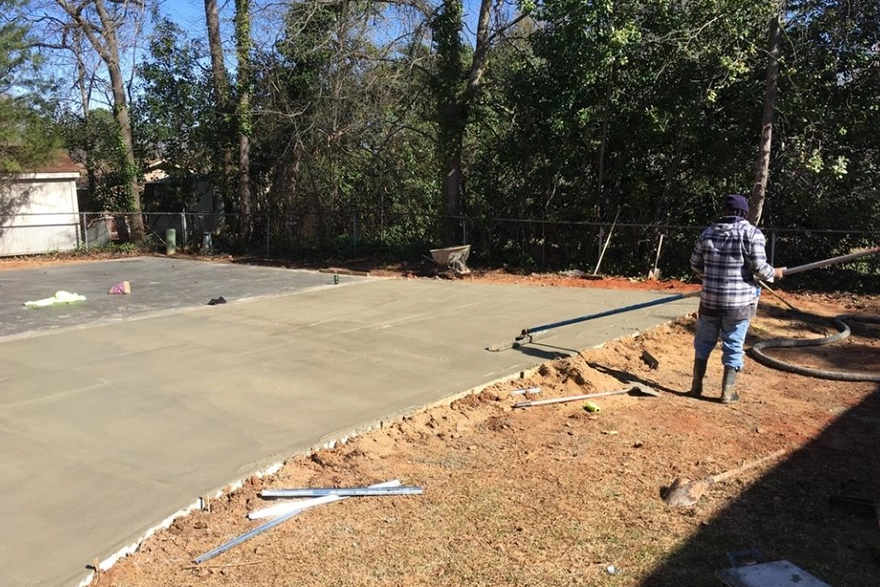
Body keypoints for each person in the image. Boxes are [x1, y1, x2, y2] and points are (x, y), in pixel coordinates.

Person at [688, 194, 785, 403]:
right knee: (733, 344)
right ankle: (727, 392)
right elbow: (759, 269)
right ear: (744, 213)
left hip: (709, 302)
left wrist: (711, 278)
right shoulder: (752, 234)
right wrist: (774, 273)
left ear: (724, 211)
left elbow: (695, 264)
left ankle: (696, 387)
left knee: (703, 342)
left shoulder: (708, 233)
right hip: (738, 304)